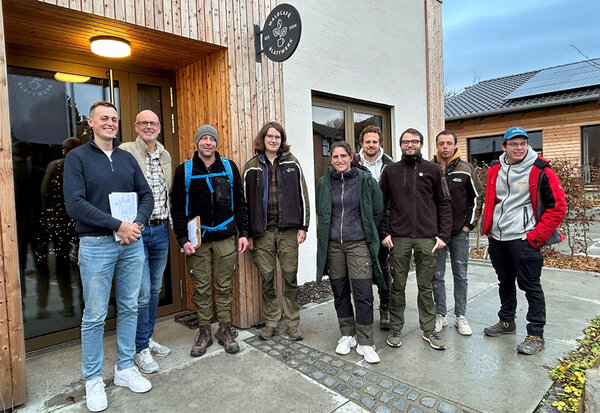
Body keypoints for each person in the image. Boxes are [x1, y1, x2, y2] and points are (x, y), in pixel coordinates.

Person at [64, 101, 154, 412]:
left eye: (115, 119)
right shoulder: (77, 158)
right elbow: (74, 205)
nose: (110, 123)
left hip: (131, 243)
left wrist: (137, 224)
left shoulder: (127, 159)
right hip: (97, 245)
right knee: (95, 315)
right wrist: (118, 225)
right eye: (104, 118)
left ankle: (125, 368)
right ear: (90, 121)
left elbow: (147, 195)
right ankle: (92, 378)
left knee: (130, 305)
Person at [482, 126, 566, 355]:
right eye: (513, 144)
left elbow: (558, 207)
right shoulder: (495, 169)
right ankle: (507, 322)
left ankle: (536, 334)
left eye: (523, 143)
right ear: (504, 146)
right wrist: (488, 228)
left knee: (530, 286)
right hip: (498, 238)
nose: (519, 148)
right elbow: (492, 200)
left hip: (524, 239)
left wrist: (535, 236)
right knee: (505, 281)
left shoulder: (541, 170)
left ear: (528, 144)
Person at [171, 124, 249, 357]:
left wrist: (243, 233)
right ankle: (204, 330)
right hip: (197, 240)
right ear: (197, 142)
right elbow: (177, 209)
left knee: (224, 286)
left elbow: (241, 203)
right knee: (202, 288)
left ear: (216, 142)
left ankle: (224, 329)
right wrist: (182, 238)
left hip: (226, 236)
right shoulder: (184, 170)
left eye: (211, 139)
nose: (207, 142)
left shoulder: (228, 167)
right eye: (203, 138)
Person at [379, 128, 452, 350]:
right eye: (405, 142)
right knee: (397, 286)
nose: (410, 145)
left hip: (427, 237)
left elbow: (444, 203)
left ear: (421, 144)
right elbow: (381, 204)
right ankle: (395, 327)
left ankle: (428, 330)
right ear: (400, 145)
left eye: (414, 141)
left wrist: (443, 235)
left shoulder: (433, 170)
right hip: (398, 238)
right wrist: (384, 232)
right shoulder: (390, 171)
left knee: (426, 286)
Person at [316, 141, 385, 364]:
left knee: (363, 292)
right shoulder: (324, 183)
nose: (339, 160)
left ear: (351, 157)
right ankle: (348, 334)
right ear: (331, 159)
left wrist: (363, 231)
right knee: (340, 290)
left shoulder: (365, 180)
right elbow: (322, 211)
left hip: (358, 244)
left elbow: (377, 210)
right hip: (334, 245)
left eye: (343, 156)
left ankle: (366, 341)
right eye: (335, 157)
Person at [243, 121, 310, 341]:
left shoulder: (292, 163)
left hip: (288, 230)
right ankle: (271, 322)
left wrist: (303, 226)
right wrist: (248, 232)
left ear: (282, 140)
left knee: (290, 277)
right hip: (262, 232)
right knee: (267, 277)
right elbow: (245, 203)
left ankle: (292, 323)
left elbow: (303, 196)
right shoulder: (251, 166)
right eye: (270, 136)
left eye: (278, 137)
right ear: (263, 139)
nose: (274, 140)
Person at [120, 110, 172, 373]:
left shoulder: (165, 155)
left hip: (161, 229)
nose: (149, 127)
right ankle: (139, 349)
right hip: (137, 231)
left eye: (153, 123)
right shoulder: (126, 151)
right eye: (144, 123)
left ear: (159, 127)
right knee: (139, 292)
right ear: (136, 126)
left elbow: (166, 192)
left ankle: (146, 338)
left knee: (153, 290)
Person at [432, 130, 484, 336]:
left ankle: (460, 316)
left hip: (459, 233)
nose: (445, 147)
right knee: (436, 275)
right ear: (437, 146)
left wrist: (469, 225)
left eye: (448, 143)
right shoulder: (430, 168)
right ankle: (440, 314)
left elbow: (479, 197)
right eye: (441, 143)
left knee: (460, 275)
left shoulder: (466, 169)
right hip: (436, 234)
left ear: (455, 145)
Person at [358, 125, 394, 330]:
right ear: (361, 144)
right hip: (359, 224)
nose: (371, 145)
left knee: (383, 268)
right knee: (360, 269)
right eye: (367, 141)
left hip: (383, 225)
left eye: (374, 141)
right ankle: (364, 310)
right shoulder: (352, 163)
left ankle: (385, 308)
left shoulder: (390, 165)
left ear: (380, 143)